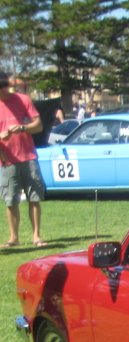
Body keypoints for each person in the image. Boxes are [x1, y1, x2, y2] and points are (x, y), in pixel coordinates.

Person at [0, 72, 45, 247]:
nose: (4, 91)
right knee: (10, 200)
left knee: (34, 197)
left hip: (28, 157)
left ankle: (36, 236)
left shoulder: (23, 100)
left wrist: (23, 128)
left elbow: (39, 126)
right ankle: (14, 238)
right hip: (6, 160)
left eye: (5, 87)